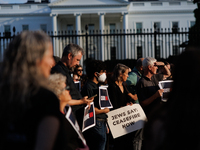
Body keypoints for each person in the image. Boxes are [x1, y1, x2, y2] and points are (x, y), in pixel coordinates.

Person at [0, 31, 63, 149]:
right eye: (49, 56)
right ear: (36, 60)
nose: (53, 62)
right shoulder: (46, 100)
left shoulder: (5, 94)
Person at [142, 48, 200, 150]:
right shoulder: (162, 118)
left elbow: (168, 74)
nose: (156, 68)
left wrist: (163, 65)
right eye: (154, 66)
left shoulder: (159, 118)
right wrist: (155, 96)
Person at [51, 43, 93, 126]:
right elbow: (60, 99)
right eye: (77, 60)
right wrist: (81, 101)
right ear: (70, 56)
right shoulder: (58, 72)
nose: (78, 63)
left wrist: (82, 100)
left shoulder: (66, 71)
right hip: (68, 119)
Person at [48, 73, 89, 150]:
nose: (69, 90)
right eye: (66, 88)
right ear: (58, 94)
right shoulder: (54, 120)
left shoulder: (67, 111)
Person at [108, 63, 138, 150]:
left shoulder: (123, 86)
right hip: (118, 123)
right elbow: (113, 105)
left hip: (126, 122)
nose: (128, 76)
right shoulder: (112, 87)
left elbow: (127, 100)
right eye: (126, 74)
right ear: (121, 74)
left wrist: (130, 103)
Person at [81, 60, 109, 150]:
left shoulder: (98, 85)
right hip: (96, 123)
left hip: (102, 122)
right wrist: (104, 111)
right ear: (96, 74)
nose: (104, 74)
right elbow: (89, 109)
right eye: (102, 72)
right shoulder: (89, 87)